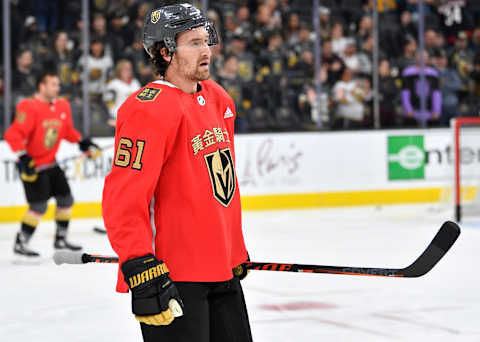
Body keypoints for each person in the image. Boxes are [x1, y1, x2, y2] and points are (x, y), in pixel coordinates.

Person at [101, 3, 252, 342]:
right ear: (165, 51)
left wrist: (233, 249)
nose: (207, 50)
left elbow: (218, 185)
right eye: (194, 43)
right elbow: (123, 199)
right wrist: (139, 263)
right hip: (174, 278)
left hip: (221, 269)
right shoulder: (148, 109)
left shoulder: (218, 98)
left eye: (206, 40)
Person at [4, 70, 100, 257]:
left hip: (51, 164)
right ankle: (21, 242)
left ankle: (60, 239)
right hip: (33, 166)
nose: (58, 87)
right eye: (53, 84)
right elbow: (13, 134)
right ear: (42, 86)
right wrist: (23, 157)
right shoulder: (29, 106)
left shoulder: (63, 106)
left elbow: (67, 131)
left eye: (58, 84)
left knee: (66, 200)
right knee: (38, 206)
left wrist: (82, 142)